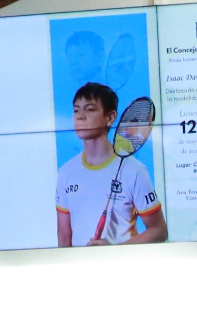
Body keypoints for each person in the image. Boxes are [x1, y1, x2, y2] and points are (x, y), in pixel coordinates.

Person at [55, 81, 166, 246]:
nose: (80, 116)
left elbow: (159, 230)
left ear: (110, 117)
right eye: (76, 110)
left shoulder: (134, 171)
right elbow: (64, 237)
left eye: (90, 109)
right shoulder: (66, 172)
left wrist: (114, 251)